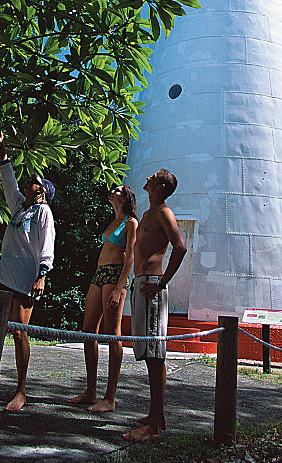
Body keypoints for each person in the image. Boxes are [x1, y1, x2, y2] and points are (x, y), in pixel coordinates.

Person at [123, 169, 186, 442]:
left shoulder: (163, 212)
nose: (147, 176)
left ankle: (154, 427)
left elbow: (180, 247)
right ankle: (156, 416)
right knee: (148, 351)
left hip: (152, 285)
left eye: (154, 176)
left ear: (160, 186)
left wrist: (160, 285)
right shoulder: (148, 214)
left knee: (154, 353)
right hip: (141, 284)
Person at [0, 131, 55, 411]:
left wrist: (42, 275)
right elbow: (8, 181)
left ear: (41, 191)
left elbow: (47, 245)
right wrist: (3, 150)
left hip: (27, 280)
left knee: (20, 332)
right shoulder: (19, 206)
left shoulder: (43, 213)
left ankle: (21, 390)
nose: (28, 182)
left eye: (34, 182)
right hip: (5, 276)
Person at [69, 184, 137, 413]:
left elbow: (130, 258)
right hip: (99, 274)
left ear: (126, 198)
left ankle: (110, 397)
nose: (112, 191)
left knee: (112, 333)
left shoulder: (131, 223)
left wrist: (119, 288)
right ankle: (90, 391)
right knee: (88, 330)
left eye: (117, 190)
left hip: (115, 275)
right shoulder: (112, 222)